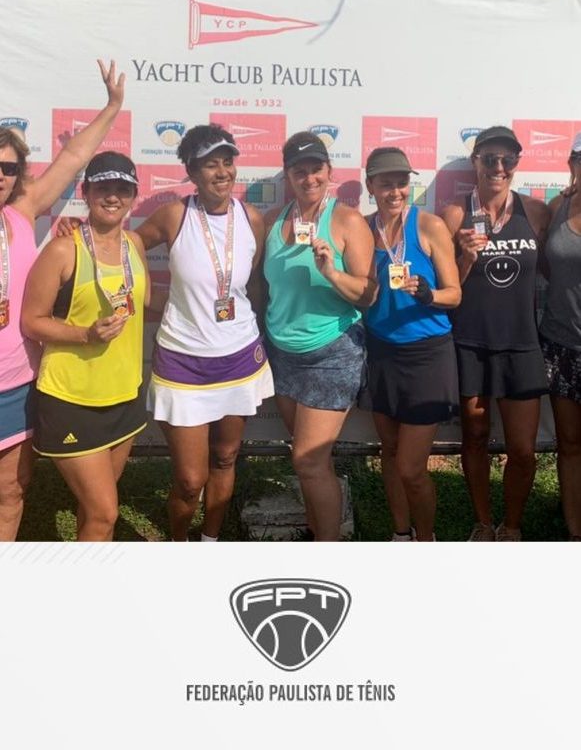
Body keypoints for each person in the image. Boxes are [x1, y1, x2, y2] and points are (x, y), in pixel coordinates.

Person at [0, 60, 125, 541]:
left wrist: (112, 106)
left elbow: (74, 158)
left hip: (17, 384)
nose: (1, 176)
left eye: (9, 168)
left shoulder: (20, 212)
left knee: (12, 490)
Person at [140, 124, 274, 542]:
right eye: (210, 164)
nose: (222, 172)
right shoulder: (174, 216)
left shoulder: (251, 219)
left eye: (227, 162)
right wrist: (150, 299)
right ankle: (179, 545)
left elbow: (252, 286)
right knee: (189, 480)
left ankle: (209, 542)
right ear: (192, 173)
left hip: (239, 357)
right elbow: (124, 248)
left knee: (226, 457)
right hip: (183, 362)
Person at [22, 153, 148, 542]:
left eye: (122, 188)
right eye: (103, 187)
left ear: (134, 196)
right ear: (85, 192)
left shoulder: (134, 244)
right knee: (105, 512)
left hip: (125, 394)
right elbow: (31, 321)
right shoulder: (63, 250)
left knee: (95, 511)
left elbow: (144, 303)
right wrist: (85, 335)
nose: (113, 196)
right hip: (72, 398)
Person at [263, 131, 376, 542]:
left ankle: (327, 553)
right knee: (307, 459)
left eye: (316, 169)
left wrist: (331, 272)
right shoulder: (273, 221)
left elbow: (369, 294)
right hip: (283, 353)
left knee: (308, 461)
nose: (308, 178)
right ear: (288, 175)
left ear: (329, 171)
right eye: (299, 171)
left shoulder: (347, 221)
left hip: (332, 352)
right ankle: (316, 532)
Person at [441, 126, 549, 541]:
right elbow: (447, 288)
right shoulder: (454, 214)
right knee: (475, 437)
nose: (498, 167)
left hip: (522, 344)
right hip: (471, 343)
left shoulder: (535, 212)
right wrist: (466, 258)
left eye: (508, 160)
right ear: (476, 162)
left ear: (517, 164)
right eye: (490, 159)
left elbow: (555, 269)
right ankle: (483, 523)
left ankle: (513, 526)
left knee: (523, 449)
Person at [360, 147, 461, 542]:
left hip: (426, 355)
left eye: (402, 183)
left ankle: (426, 539)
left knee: (411, 467)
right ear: (370, 186)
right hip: (382, 351)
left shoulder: (429, 225)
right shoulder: (362, 230)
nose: (396, 191)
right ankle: (401, 534)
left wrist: (428, 295)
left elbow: (455, 294)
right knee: (389, 452)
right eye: (386, 183)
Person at [538, 133, 581, 540]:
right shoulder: (557, 206)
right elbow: (549, 269)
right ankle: (574, 533)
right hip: (561, 344)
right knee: (568, 445)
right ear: (571, 163)